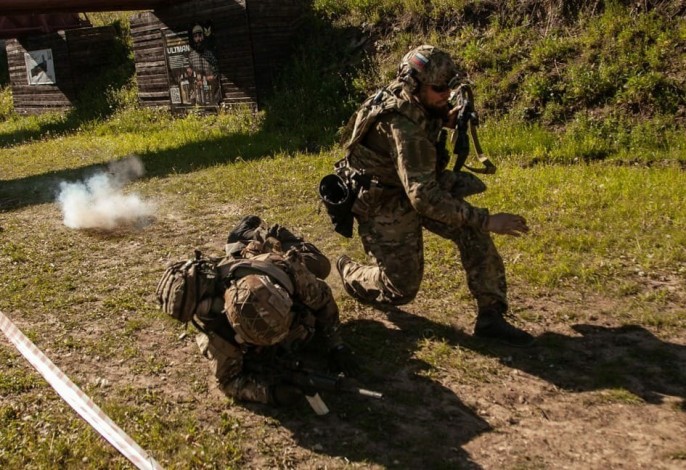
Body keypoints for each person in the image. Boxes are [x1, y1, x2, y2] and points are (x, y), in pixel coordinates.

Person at [333, 44, 535, 347]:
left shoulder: (414, 100)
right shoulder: (402, 126)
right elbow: (424, 199)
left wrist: (442, 118)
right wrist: (488, 220)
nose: (447, 95)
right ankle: (350, 272)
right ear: (413, 85)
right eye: (439, 89)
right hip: (383, 200)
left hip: (410, 184)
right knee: (401, 288)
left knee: (471, 230)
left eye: (450, 87)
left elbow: (420, 160)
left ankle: (491, 315)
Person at [194, 217, 359, 406]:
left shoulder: (290, 275)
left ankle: (252, 235)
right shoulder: (219, 327)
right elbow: (228, 381)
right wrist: (271, 394)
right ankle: (239, 244)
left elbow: (323, 300)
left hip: (262, 259)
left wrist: (336, 344)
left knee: (320, 265)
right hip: (237, 274)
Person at [186, 24, 222, 105]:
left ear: (203, 36)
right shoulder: (191, 56)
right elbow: (190, 74)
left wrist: (211, 77)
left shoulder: (209, 54)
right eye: (195, 36)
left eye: (200, 36)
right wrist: (190, 72)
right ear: (193, 39)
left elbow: (216, 70)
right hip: (198, 93)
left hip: (210, 91)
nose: (198, 39)